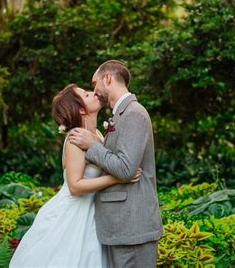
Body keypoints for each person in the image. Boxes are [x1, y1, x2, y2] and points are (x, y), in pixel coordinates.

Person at [9, 84, 142, 267]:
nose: (93, 93)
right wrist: (118, 178)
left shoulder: (95, 134)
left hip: (93, 212)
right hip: (73, 214)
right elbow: (75, 187)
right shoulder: (75, 138)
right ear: (81, 109)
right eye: (86, 94)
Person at [68, 60, 163, 267]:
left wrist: (92, 145)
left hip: (133, 227)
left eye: (95, 84)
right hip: (120, 227)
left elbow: (126, 169)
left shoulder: (133, 114)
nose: (94, 91)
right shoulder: (120, 115)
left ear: (108, 78)